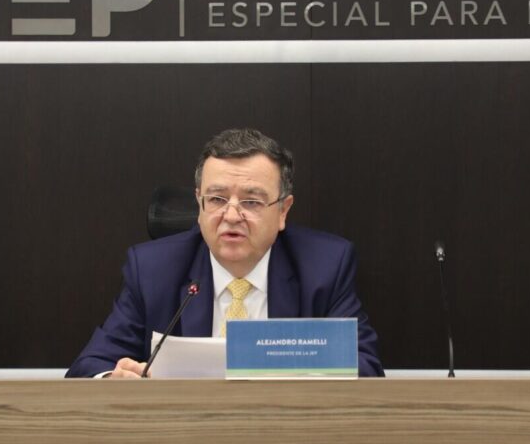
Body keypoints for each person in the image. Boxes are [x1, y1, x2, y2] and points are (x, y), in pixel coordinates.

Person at [66, 128, 384, 378]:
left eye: (251, 202)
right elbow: (88, 368)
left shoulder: (325, 267)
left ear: (283, 210)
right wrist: (114, 379)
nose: (231, 216)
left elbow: (366, 369)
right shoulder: (153, 271)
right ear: (199, 203)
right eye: (217, 199)